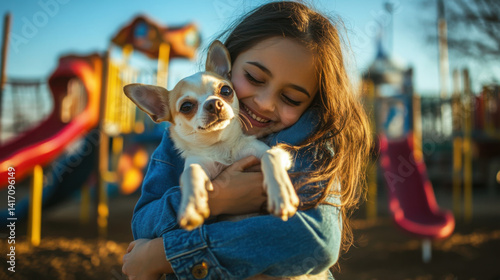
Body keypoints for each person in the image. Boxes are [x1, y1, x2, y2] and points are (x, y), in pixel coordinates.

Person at [122, 1, 371, 279]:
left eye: (291, 98)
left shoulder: (308, 139)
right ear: (229, 65)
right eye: (253, 78)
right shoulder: (179, 140)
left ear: (313, 103)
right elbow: (143, 226)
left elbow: (316, 240)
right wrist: (218, 199)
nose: (264, 104)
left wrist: (165, 254)